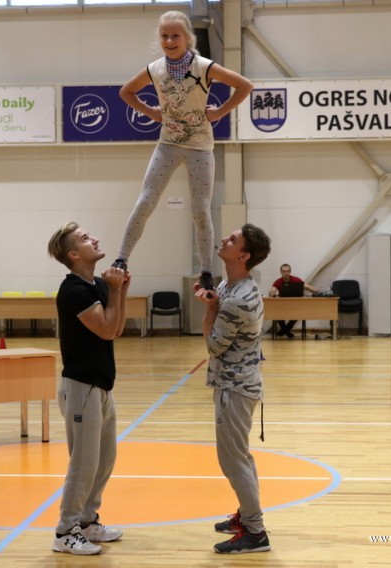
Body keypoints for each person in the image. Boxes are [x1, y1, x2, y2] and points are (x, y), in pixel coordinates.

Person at [111, 10, 254, 292]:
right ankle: (121, 258)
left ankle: (206, 271)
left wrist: (220, 112)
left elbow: (244, 85)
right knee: (145, 201)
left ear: (187, 37)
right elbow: (126, 92)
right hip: (168, 144)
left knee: (200, 210)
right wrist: (151, 112)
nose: (169, 41)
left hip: (200, 147)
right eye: (164, 36)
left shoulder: (204, 67)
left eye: (175, 35)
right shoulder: (155, 69)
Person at [47, 222, 130, 556]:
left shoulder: (96, 285)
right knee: (83, 463)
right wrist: (115, 291)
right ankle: (65, 531)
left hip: (102, 384)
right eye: (84, 238)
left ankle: (87, 520)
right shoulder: (74, 291)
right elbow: (107, 329)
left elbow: (116, 329)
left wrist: (119, 291)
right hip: (81, 386)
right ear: (73, 254)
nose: (94, 238)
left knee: (104, 459)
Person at [194, 223, 272, 554]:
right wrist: (215, 300)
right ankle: (247, 515)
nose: (225, 238)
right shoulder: (231, 285)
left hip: (235, 388)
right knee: (240, 456)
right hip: (238, 384)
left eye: (233, 239)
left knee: (232, 460)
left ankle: (255, 531)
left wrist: (211, 308)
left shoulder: (239, 298)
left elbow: (213, 346)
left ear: (243, 256)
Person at [268, 263, 318, 338]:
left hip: (295, 306)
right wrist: (272, 293)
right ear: (281, 272)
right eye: (284, 271)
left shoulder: (296, 280)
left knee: (298, 312)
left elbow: (307, 286)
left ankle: (284, 330)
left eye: (287, 271)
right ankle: (286, 330)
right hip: (282, 306)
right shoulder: (278, 281)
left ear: (290, 272)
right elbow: (272, 291)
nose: (286, 273)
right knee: (276, 313)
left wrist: (318, 291)